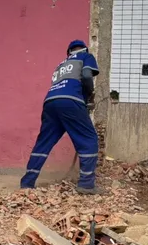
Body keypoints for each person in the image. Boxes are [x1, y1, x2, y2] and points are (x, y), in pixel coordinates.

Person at [20, 40, 100, 194]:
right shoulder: (85, 56)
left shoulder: (60, 65)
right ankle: (86, 185)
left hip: (50, 103)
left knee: (44, 142)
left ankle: (27, 182)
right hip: (70, 102)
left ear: (68, 52)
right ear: (84, 49)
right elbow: (86, 75)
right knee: (89, 139)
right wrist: (89, 96)